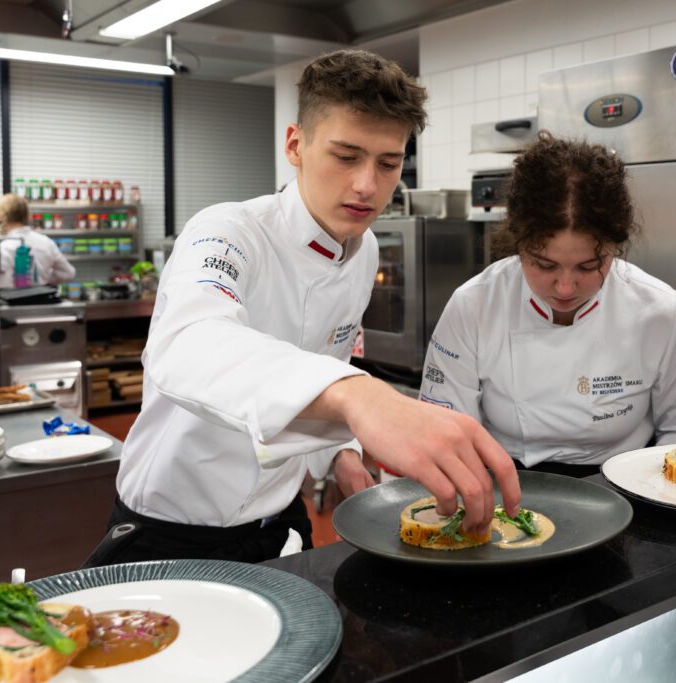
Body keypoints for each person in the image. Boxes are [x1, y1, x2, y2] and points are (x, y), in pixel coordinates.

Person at [84, 49, 520, 567]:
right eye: (345, 155)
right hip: (171, 532)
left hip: (279, 524)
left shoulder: (365, 251)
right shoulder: (227, 232)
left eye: (388, 163)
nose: (366, 185)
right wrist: (361, 399)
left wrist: (338, 452)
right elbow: (189, 343)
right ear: (296, 144)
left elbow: (326, 358)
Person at [417, 132, 676, 477]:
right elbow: (446, 430)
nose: (564, 287)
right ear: (518, 244)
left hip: (626, 486)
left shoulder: (665, 315)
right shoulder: (474, 306)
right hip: (503, 483)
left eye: (589, 267)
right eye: (544, 265)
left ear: (615, 247)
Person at [0, 193, 75, 289]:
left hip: (15, 302)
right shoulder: (46, 242)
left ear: (3, 217)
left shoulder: (5, 247)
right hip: (44, 300)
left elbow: (3, 284)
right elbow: (68, 273)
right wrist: (43, 279)